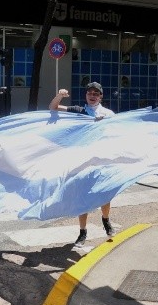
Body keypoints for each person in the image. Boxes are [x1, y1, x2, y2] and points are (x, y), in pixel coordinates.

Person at [49, 81, 116, 248]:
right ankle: (82, 231)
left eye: (95, 93)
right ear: (86, 95)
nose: (92, 96)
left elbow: (116, 135)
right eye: (89, 93)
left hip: (101, 160)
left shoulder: (109, 114)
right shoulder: (79, 111)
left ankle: (105, 219)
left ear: (101, 96)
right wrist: (60, 95)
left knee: (105, 194)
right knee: (82, 197)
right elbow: (53, 108)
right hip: (82, 161)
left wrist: (103, 125)